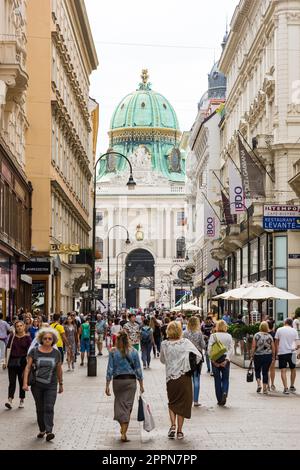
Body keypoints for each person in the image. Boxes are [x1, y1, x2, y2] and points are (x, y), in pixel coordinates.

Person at [160, 321, 202, 440]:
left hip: (170, 377)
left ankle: (172, 425)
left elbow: (162, 360)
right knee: (183, 403)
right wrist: (189, 365)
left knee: (172, 402)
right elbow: (198, 356)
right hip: (184, 377)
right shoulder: (185, 342)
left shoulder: (165, 344)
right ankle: (179, 431)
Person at [23, 328, 63, 441]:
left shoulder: (56, 353)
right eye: (45, 338)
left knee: (49, 407)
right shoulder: (34, 351)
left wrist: (61, 383)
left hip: (51, 385)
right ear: (41, 339)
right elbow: (28, 367)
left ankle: (49, 431)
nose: (47, 340)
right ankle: (42, 429)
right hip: (37, 385)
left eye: (50, 338)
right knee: (40, 408)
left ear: (53, 340)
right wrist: (25, 383)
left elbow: (59, 369)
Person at [105, 330, 144, 442]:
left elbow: (110, 369)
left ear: (117, 340)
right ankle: (124, 431)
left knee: (119, 404)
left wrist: (107, 385)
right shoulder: (134, 351)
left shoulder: (113, 352)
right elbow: (138, 369)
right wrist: (141, 384)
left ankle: (122, 427)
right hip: (130, 381)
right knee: (128, 405)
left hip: (118, 381)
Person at [4, 320, 31, 409]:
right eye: (17, 326)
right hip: (12, 361)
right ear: (15, 328)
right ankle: (10, 399)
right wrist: (5, 361)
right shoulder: (12, 337)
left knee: (21, 381)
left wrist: (30, 363)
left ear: (24, 327)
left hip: (23, 362)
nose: (19, 327)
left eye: (20, 326)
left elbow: (30, 352)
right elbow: (7, 349)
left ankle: (22, 399)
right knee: (12, 382)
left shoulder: (27, 338)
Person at [208, 320, 233, 406]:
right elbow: (231, 349)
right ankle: (225, 392)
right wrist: (226, 359)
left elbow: (209, 349)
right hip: (225, 360)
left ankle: (219, 399)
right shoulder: (229, 336)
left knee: (217, 380)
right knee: (225, 379)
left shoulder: (213, 336)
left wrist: (213, 360)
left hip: (216, 359)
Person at [183, 317, 205, 407]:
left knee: (188, 379)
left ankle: (188, 399)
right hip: (197, 357)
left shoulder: (185, 333)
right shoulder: (199, 333)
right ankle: (195, 401)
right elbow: (203, 345)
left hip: (188, 356)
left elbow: (183, 344)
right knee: (196, 378)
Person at [275, 318, 299, 394]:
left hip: (282, 352)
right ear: (291, 323)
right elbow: (298, 343)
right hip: (293, 353)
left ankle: (285, 388)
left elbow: (276, 342)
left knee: (283, 370)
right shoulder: (294, 330)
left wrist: (276, 353)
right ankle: (292, 385)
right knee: (293, 369)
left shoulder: (279, 330)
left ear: (284, 322)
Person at [251, 321, 275, 395]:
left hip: (258, 356)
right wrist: (273, 356)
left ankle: (259, 384)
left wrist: (252, 355)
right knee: (265, 372)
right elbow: (273, 347)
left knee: (257, 370)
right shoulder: (270, 336)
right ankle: (265, 389)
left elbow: (253, 346)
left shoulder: (256, 335)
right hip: (267, 356)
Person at [267, 320, 276, 390]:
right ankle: (272, 384)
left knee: (266, 370)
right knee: (272, 369)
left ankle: (267, 385)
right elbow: (275, 345)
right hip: (272, 353)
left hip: (265, 353)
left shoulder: (263, 334)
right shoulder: (274, 334)